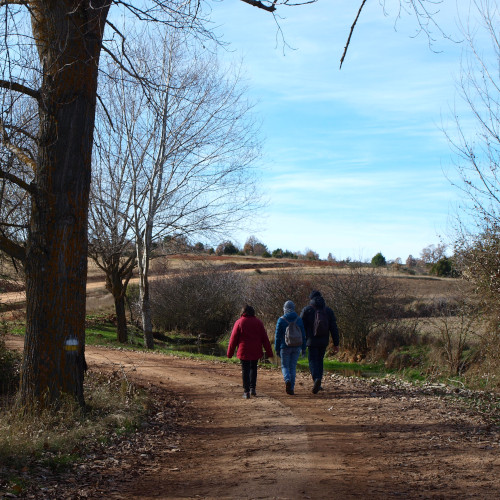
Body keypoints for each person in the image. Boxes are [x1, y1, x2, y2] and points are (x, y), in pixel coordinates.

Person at [227, 304, 274, 399]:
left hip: (244, 350)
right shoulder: (258, 322)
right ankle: (253, 388)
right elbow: (265, 338)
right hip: (256, 350)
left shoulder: (239, 322)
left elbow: (233, 339)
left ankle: (246, 391)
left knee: (245, 370)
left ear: (243, 312)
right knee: (253, 368)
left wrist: (230, 353)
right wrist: (269, 352)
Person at [300, 290, 339, 394]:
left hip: (311, 341)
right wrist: (336, 343)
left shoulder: (307, 310)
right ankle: (319, 382)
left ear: (311, 299)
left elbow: (300, 326)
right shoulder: (328, 311)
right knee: (320, 360)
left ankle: (316, 379)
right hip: (323, 340)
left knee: (312, 360)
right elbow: (334, 328)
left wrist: (301, 341)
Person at [275, 300, 306, 395]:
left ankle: (287, 379)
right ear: (293, 308)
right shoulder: (299, 319)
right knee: (293, 367)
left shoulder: (281, 320)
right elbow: (303, 335)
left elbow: (277, 336)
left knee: (284, 366)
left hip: (284, 347)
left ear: (284, 308)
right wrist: (303, 348)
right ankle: (291, 388)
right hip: (297, 347)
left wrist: (276, 348)